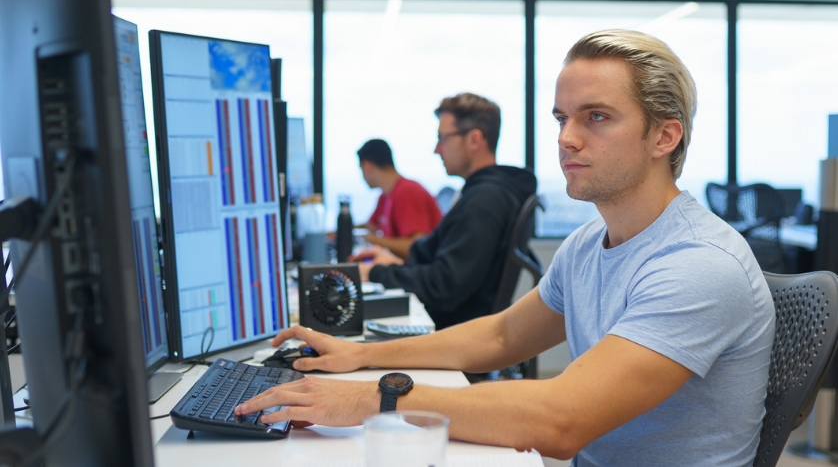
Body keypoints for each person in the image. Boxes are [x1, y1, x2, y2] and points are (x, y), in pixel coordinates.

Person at [236, 29, 775, 465]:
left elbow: (561, 422)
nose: (566, 138)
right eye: (563, 118)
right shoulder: (590, 242)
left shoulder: (700, 264)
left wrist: (374, 396)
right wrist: (362, 357)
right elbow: (501, 335)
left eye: (597, 117)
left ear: (665, 137)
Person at [350, 92, 538, 330]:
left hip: (454, 330)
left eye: (443, 138)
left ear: (474, 140)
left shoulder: (484, 200)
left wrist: (377, 273)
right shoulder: (480, 192)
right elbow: (438, 254)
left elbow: (443, 286)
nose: (436, 149)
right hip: (453, 323)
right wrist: (392, 265)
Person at [356, 138, 442, 260]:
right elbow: (370, 226)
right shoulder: (385, 195)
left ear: (367, 166)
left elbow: (417, 247)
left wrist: (372, 239)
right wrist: (340, 233)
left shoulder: (408, 192)